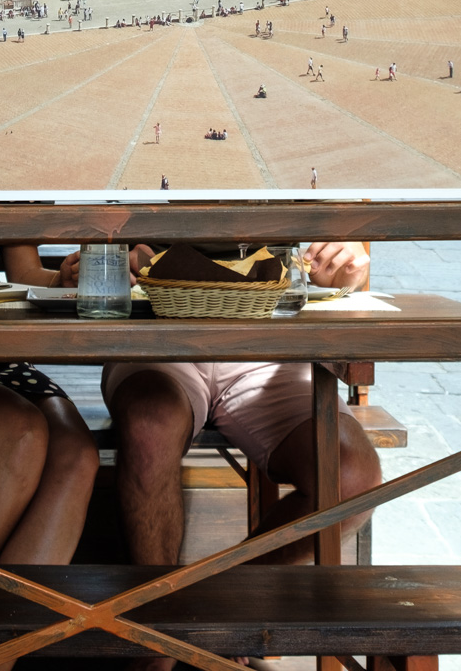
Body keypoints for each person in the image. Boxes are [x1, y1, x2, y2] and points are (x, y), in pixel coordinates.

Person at [104, 241, 381, 647]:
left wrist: (348, 266)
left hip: (271, 339)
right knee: (149, 427)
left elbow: (347, 256)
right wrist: (109, 259)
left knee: (349, 476)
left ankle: (213, 602)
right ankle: (155, 643)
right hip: (156, 327)